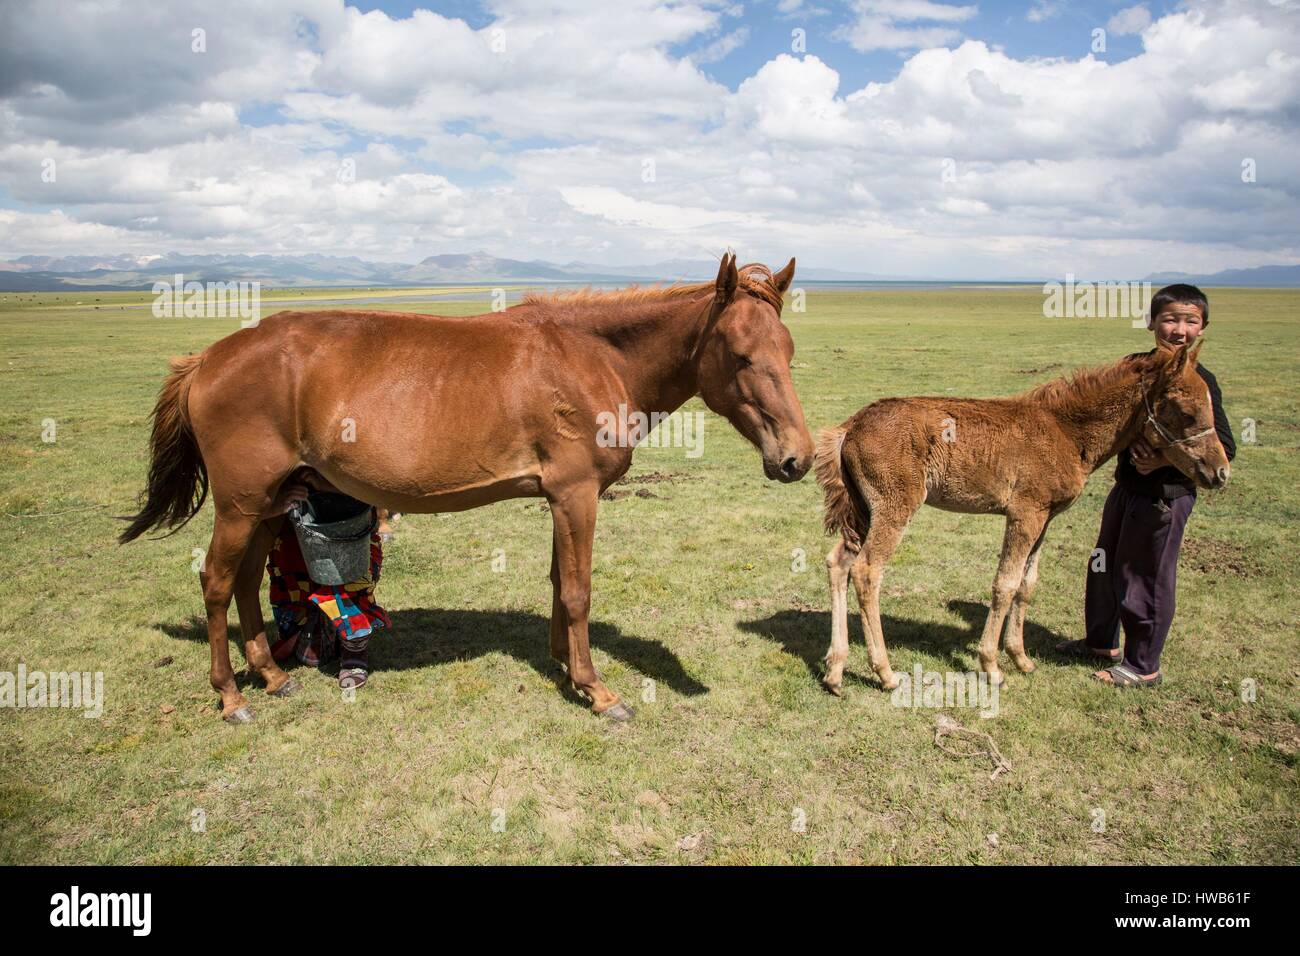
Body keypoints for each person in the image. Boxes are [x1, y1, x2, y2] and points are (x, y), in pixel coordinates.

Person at [1055, 284, 1235, 688]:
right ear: (1152, 322)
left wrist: (1162, 458)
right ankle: (1100, 642)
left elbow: (1225, 445)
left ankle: (1142, 665)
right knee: (1102, 564)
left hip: (1165, 497)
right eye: (1170, 318)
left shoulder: (1198, 380)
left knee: (1146, 576)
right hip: (1127, 487)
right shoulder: (1135, 368)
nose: (1179, 330)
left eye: (1191, 321)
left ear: (1203, 328)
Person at [263, 471, 390, 690]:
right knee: (309, 653)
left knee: (345, 573)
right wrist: (279, 498)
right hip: (292, 511)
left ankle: (354, 647)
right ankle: (309, 625)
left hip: (346, 501)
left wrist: (324, 483)